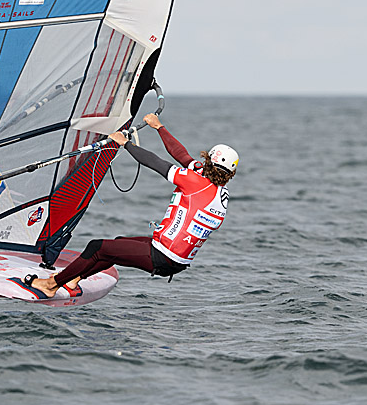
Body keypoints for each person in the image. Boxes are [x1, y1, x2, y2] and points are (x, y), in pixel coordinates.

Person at [22, 113, 238, 298]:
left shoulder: (195, 181)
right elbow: (182, 156)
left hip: (163, 256)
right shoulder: (218, 190)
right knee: (117, 244)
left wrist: (125, 143)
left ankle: (51, 285)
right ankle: (72, 279)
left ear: (209, 162)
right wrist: (159, 127)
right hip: (174, 258)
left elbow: (156, 163)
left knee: (97, 247)